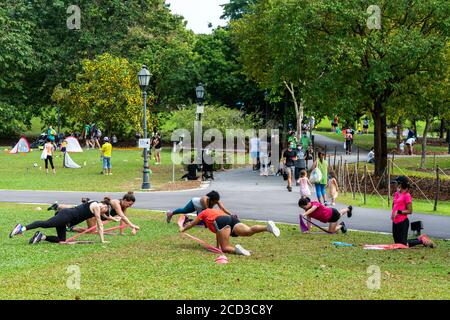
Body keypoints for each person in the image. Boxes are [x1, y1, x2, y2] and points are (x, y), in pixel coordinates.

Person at [179, 208, 280, 256]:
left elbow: (192, 224)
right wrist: (217, 247)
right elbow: (218, 232)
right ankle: (267, 227)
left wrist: (183, 229)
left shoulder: (203, 213)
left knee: (226, 248)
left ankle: (240, 251)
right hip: (230, 219)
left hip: (221, 221)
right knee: (249, 231)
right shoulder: (215, 210)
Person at [9, 199, 114, 244]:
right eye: (106, 210)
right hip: (66, 215)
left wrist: (114, 218)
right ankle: (21, 228)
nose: (105, 213)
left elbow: (105, 216)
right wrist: (102, 240)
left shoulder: (96, 204)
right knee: (46, 224)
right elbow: (100, 224)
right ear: (104, 206)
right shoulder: (96, 206)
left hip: (67, 218)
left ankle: (41, 237)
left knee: (61, 240)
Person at [48, 192, 140, 236]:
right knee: (91, 230)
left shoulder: (124, 207)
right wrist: (133, 226)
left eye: (131, 205)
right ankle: (71, 228)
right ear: (124, 200)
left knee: (75, 208)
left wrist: (121, 232)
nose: (129, 206)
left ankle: (57, 206)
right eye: (129, 204)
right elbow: (122, 216)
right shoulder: (116, 203)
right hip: (92, 215)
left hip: (95, 213)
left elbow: (123, 219)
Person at [391, 176, 435, 248]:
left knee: (403, 244)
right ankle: (419, 238)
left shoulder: (407, 196)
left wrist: (398, 212)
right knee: (398, 244)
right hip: (395, 221)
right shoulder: (396, 193)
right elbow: (394, 205)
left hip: (403, 222)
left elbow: (410, 211)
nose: (395, 184)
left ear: (401, 184)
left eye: (396, 183)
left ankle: (421, 240)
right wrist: (393, 213)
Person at [166, 191, 233, 223]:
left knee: (201, 222)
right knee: (184, 210)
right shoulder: (204, 199)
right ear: (211, 199)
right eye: (214, 201)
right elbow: (207, 211)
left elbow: (223, 209)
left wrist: (231, 215)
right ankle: (170, 214)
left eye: (216, 201)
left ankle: (187, 220)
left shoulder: (216, 201)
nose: (216, 203)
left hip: (201, 209)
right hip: (194, 204)